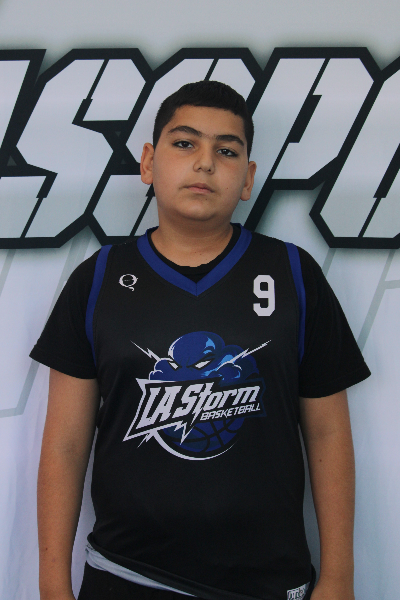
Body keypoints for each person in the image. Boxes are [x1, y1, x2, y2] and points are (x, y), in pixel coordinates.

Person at [32, 81, 370, 600]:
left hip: (268, 580)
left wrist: (339, 577)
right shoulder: (98, 279)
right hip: (126, 575)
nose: (205, 163)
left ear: (248, 178)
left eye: (227, 151)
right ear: (149, 162)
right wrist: (52, 584)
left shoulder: (293, 274)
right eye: (185, 143)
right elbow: (64, 444)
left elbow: (327, 434)